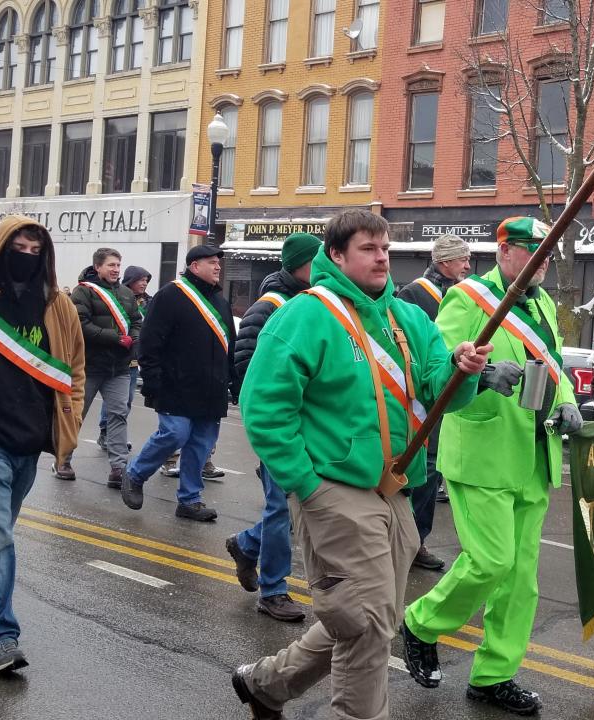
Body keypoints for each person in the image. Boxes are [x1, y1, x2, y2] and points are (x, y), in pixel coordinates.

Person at [230, 209, 489, 720]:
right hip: (335, 487)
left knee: (367, 617)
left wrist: (462, 370)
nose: (381, 257)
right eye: (368, 248)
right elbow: (263, 407)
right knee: (367, 623)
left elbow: (440, 394)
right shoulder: (305, 316)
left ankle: (266, 684)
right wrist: (307, 483)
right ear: (336, 255)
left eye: (386, 248)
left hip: (395, 488)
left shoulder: (410, 319)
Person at [401, 216, 583, 716]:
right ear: (505, 252)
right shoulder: (465, 298)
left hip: (534, 454)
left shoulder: (543, 303)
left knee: (521, 579)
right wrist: (479, 377)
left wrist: (567, 399)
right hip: (483, 452)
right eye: (533, 250)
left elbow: (555, 365)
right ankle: (421, 623)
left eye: (547, 251)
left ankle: (494, 674)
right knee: (491, 561)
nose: (543, 260)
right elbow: (438, 369)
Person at [0, 216, 85, 673]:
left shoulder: (58, 305)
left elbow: (76, 367)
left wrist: (73, 417)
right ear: (0, 249)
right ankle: (2, 636)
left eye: (34, 249)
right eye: (17, 247)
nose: (26, 255)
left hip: (31, 440)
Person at [225, 232, 321, 623]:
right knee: (281, 505)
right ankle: (274, 590)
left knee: (295, 506)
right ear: (300, 265)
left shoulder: (314, 300)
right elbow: (247, 361)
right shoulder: (270, 306)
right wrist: (276, 411)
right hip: (283, 423)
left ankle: (248, 545)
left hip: (310, 424)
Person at [121, 245, 238, 522]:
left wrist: (234, 381)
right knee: (175, 434)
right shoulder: (170, 295)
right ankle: (135, 474)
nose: (218, 267)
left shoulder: (220, 301)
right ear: (194, 266)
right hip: (175, 385)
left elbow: (229, 346)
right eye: (211, 262)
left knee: (201, 444)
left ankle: (189, 500)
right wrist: (152, 381)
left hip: (211, 388)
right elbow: (150, 343)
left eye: (218, 263)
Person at [396, 233, 472, 571]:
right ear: (444, 262)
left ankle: (417, 540)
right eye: (461, 259)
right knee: (422, 471)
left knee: (432, 472)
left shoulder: (464, 295)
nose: (468, 265)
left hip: (450, 392)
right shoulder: (414, 294)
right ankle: (406, 540)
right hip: (424, 394)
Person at [56, 249, 142, 487]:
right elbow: (80, 325)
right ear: (98, 267)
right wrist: (114, 338)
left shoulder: (126, 293)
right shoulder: (83, 292)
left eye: (118, 265)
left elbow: (136, 321)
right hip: (89, 366)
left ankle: (118, 467)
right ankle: (63, 459)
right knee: (75, 415)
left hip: (119, 367)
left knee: (118, 415)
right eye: (111, 265)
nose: (116, 269)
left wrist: (132, 339)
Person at [98, 265, 152, 450]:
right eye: (141, 280)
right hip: (116, 354)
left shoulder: (148, 302)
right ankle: (105, 432)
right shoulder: (119, 298)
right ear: (131, 280)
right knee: (113, 400)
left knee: (126, 400)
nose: (144, 283)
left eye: (146, 280)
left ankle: (115, 436)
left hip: (135, 356)